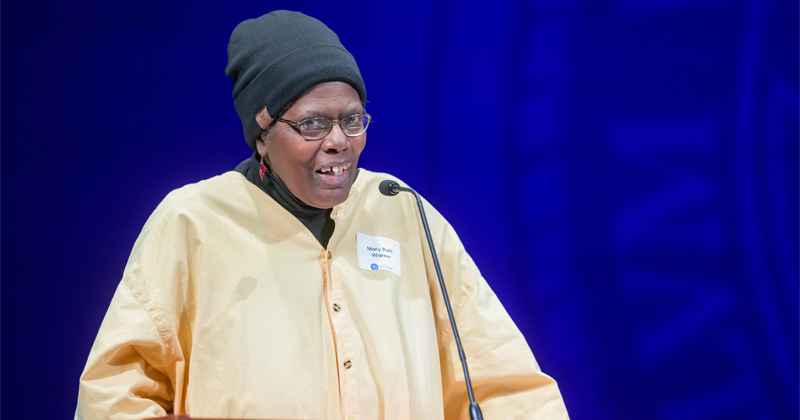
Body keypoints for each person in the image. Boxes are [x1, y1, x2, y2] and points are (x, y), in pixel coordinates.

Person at [75, 10, 569, 420]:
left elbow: (507, 386)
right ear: (262, 133)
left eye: (352, 119)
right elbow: (114, 393)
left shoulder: (403, 211)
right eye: (312, 122)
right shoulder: (192, 223)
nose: (339, 140)